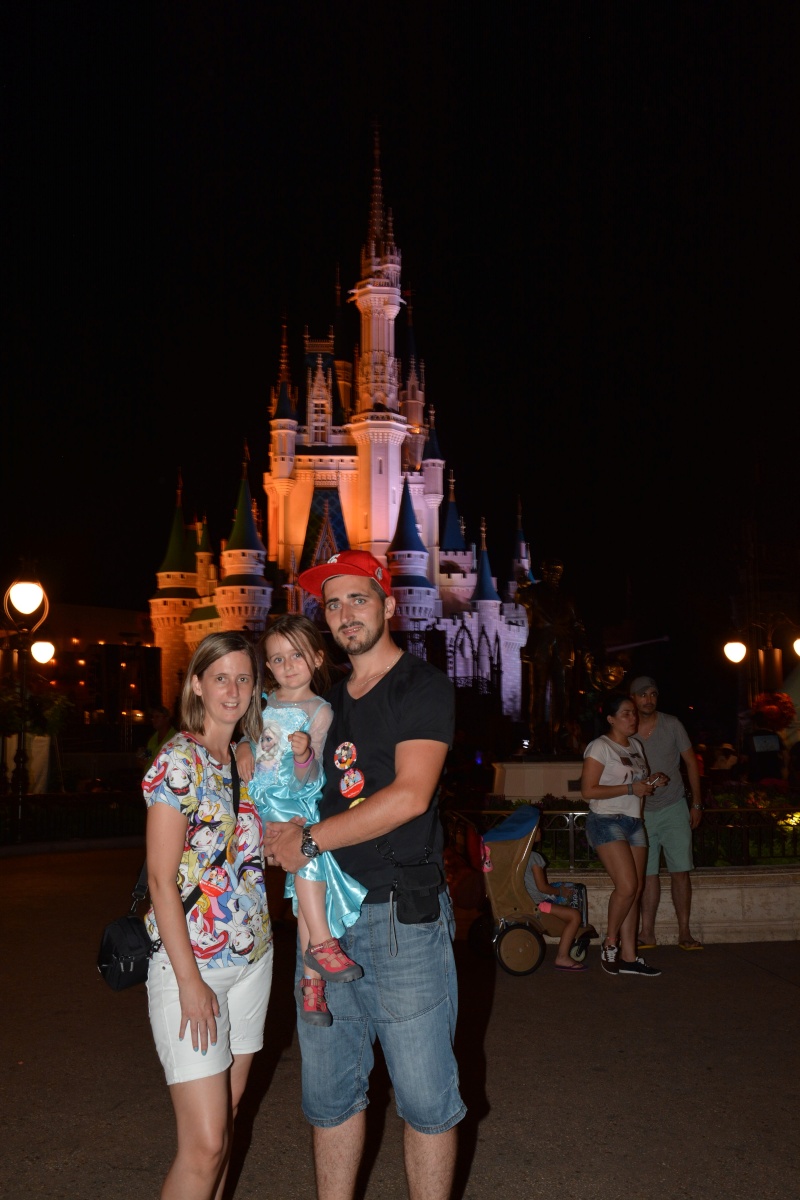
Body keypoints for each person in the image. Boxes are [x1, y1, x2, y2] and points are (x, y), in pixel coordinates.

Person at [265, 549, 466, 1200]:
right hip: (325, 925)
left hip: (400, 921)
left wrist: (309, 839)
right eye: (333, 603)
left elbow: (411, 794)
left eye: (358, 598)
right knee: (330, 1096)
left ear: (387, 603)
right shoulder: (319, 707)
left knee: (426, 1099)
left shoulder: (421, 687)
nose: (345, 613)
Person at [142, 632, 273, 1200]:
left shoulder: (242, 758)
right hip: (192, 967)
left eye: (244, 678)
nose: (234, 689)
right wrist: (191, 982)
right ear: (197, 683)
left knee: (230, 1118)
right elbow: (159, 879)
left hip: (254, 960)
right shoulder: (179, 759)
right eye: (221, 677)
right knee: (206, 1145)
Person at [235, 614, 366, 1027]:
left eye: (295, 655)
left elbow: (313, 776)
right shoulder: (261, 704)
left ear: (316, 657)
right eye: (276, 659)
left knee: (312, 867)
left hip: (295, 801)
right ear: (267, 667)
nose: (287, 665)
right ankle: (321, 949)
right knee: (311, 860)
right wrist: (241, 745)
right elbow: (243, 736)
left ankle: (313, 986)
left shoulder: (320, 711)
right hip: (264, 802)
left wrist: (305, 753)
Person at [580, 692, 664, 977]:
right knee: (627, 886)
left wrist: (651, 782)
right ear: (611, 719)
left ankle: (629, 956)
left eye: (634, 713)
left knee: (636, 890)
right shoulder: (599, 747)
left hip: (633, 821)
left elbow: (636, 782)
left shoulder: (636, 746)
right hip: (606, 820)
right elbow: (588, 790)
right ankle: (610, 941)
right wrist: (632, 789)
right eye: (626, 713)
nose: (632, 718)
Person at [629, 676, 704, 951]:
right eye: (642, 695)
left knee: (680, 871)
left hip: (674, 807)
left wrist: (696, 803)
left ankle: (685, 932)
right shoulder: (627, 728)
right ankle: (647, 933)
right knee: (647, 875)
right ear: (633, 698)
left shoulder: (672, 724)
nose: (648, 699)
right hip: (642, 813)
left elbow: (691, 762)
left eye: (653, 694)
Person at [516, 559, 587, 754]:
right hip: (540, 649)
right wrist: (522, 585)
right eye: (550, 571)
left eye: (557, 572)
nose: (554, 575)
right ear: (544, 572)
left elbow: (577, 625)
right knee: (537, 695)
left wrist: (583, 648)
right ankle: (537, 737)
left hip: (563, 651)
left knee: (562, 696)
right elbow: (522, 598)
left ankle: (561, 737)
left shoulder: (568, 597)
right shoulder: (535, 592)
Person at [523, 812, 586, 971]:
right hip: (539, 905)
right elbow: (542, 888)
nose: (540, 832)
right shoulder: (535, 858)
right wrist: (559, 891)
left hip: (527, 902)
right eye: (537, 829)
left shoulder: (519, 858)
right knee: (574, 916)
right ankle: (562, 957)